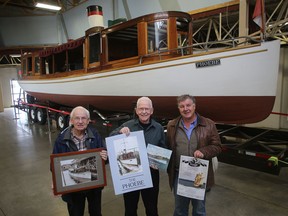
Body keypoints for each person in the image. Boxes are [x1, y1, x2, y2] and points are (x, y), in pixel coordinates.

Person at [166, 94, 222, 216]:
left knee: (199, 210)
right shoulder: (172, 125)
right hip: (179, 174)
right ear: (178, 108)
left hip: (199, 176)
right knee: (180, 210)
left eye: (188, 105)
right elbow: (167, 147)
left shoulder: (208, 124)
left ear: (194, 106)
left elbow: (217, 147)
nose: (185, 109)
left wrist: (204, 151)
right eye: (181, 106)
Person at [110, 96, 165, 216]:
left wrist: (159, 163)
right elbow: (110, 138)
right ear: (136, 110)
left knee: (151, 208)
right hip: (131, 175)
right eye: (141, 109)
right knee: (130, 208)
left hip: (151, 174)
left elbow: (163, 149)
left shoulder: (159, 128)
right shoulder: (127, 125)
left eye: (147, 109)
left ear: (152, 111)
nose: (144, 111)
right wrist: (119, 132)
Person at [52, 106, 108, 216]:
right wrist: (55, 181)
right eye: (77, 118)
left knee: (96, 212)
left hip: (93, 184)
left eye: (83, 118)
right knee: (76, 213)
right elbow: (54, 163)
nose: (80, 121)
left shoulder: (95, 134)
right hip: (73, 188)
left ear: (88, 121)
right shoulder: (61, 139)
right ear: (71, 120)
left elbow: (103, 156)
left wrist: (105, 157)